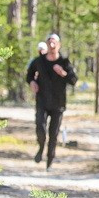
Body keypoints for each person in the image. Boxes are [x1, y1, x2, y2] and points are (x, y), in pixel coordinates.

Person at [25, 33, 77, 169]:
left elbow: (73, 80)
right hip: (42, 100)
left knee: (53, 134)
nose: (52, 45)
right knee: (40, 127)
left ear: (59, 45)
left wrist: (63, 73)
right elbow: (29, 75)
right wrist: (32, 82)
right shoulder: (39, 61)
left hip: (58, 104)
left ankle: (50, 161)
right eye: (49, 42)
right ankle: (41, 147)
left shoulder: (64, 62)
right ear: (47, 45)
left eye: (54, 42)